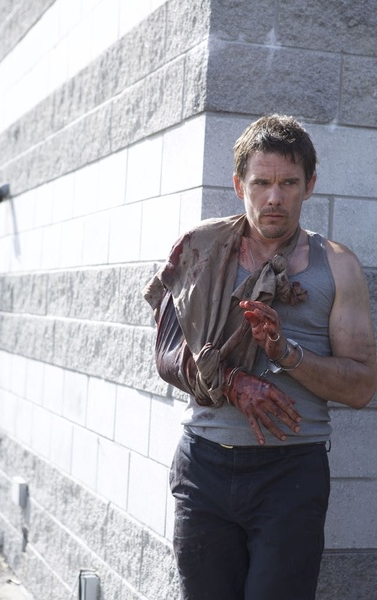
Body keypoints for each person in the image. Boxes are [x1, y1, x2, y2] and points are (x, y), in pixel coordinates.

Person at [143, 114, 377, 600]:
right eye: (261, 183)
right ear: (238, 186)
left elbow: (361, 387)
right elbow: (167, 355)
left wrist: (287, 354)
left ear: (310, 186)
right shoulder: (202, 250)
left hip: (290, 474)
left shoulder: (337, 265)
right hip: (204, 465)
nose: (274, 197)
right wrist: (232, 383)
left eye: (288, 183)